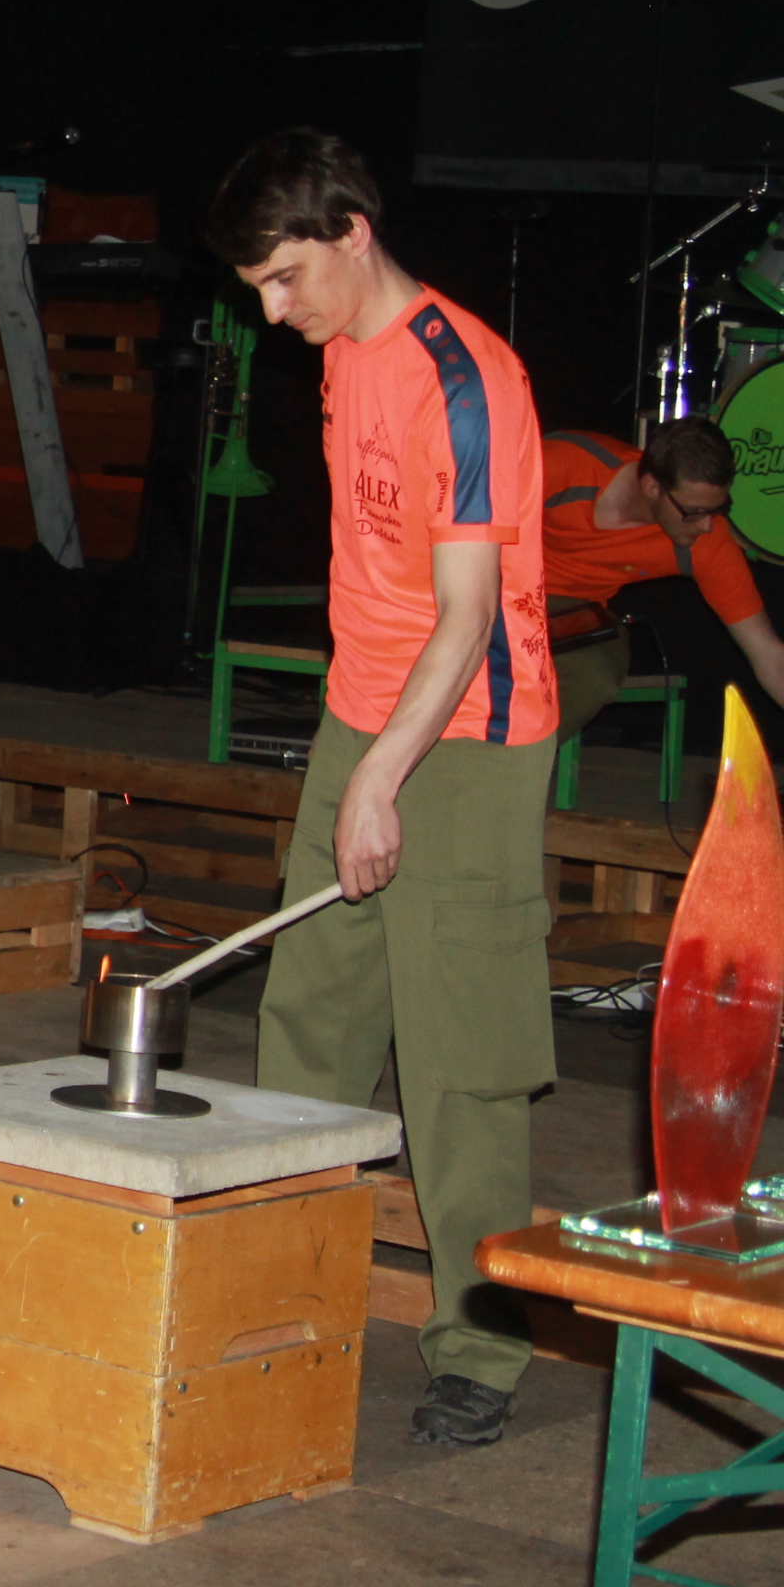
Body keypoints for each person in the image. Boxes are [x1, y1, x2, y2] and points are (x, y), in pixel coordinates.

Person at [207, 128, 555, 1450]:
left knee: (460, 1063)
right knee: (309, 1023)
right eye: (256, 288)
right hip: (365, 720)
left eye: (284, 278)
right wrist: (351, 759)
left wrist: (382, 781)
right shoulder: (342, 349)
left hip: (468, 744)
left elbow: (466, 617)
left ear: (351, 233)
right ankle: (284, 1296)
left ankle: (482, 1345)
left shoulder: (468, 381)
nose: (271, 312)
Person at [541, 419, 784, 745]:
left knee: (595, 673)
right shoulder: (562, 463)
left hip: (572, 612)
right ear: (652, 487)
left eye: (717, 509)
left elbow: (769, 654)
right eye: (694, 511)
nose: (706, 525)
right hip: (497, 583)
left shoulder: (708, 544)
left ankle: (511, 761)